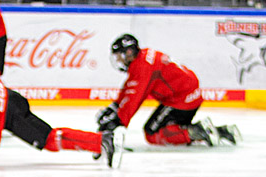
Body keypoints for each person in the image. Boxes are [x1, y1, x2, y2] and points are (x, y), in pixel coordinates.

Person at [97, 33, 241, 146]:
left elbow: (136, 97)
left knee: (152, 133)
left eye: (119, 57)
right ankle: (221, 132)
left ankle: (196, 132)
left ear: (128, 53)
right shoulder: (143, 59)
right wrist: (116, 105)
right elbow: (131, 85)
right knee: (167, 127)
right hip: (185, 95)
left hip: (182, 99)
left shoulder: (143, 68)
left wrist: (118, 121)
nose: (119, 61)